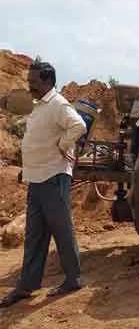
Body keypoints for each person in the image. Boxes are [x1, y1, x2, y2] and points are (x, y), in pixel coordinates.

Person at [0, 61, 87, 308]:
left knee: (62, 231)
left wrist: (62, 145)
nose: (30, 86)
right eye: (29, 81)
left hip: (53, 176)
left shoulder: (58, 104)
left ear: (47, 81)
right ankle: (26, 286)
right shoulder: (38, 105)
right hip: (36, 179)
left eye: (34, 82)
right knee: (34, 235)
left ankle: (73, 279)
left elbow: (78, 125)